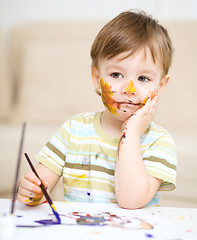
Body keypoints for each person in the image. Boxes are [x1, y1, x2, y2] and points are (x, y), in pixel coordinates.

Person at [17, 10, 177, 209]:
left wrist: (132, 133)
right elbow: (41, 185)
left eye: (143, 78)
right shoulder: (73, 130)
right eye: (116, 74)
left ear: (160, 86)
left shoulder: (159, 142)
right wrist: (33, 192)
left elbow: (131, 200)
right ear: (96, 78)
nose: (129, 90)